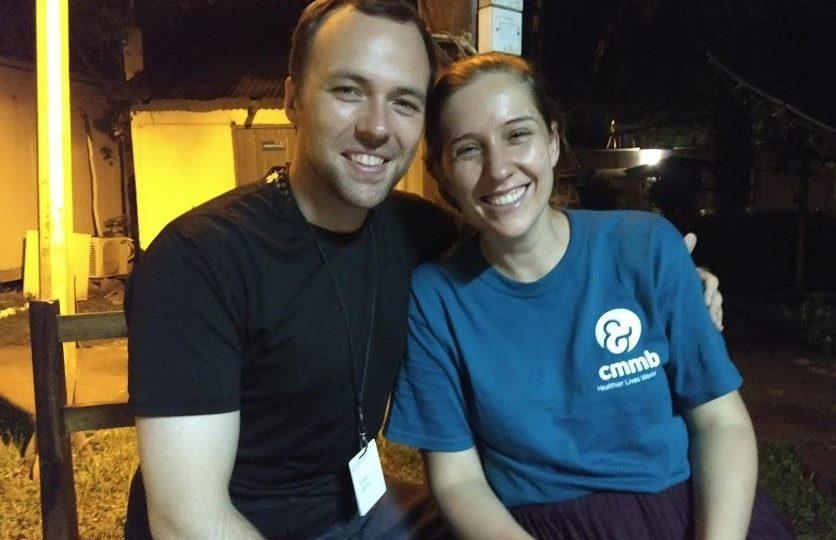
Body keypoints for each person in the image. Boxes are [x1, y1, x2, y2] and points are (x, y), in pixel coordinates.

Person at [124, 2, 723, 538]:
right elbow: (186, 519)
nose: (378, 127)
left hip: (366, 511)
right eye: (349, 91)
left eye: (404, 101)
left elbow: (529, 248)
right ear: (291, 99)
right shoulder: (201, 260)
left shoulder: (413, 231)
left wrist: (668, 288)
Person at [384, 53, 793, 539]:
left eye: (518, 134)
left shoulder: (646, 247)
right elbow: (457, 481)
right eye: (468, 149)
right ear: (443, 173)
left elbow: (720, 422)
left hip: (688, 511)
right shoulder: (436, 298)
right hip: (542, 526)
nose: (498, 169)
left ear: (554, 141)